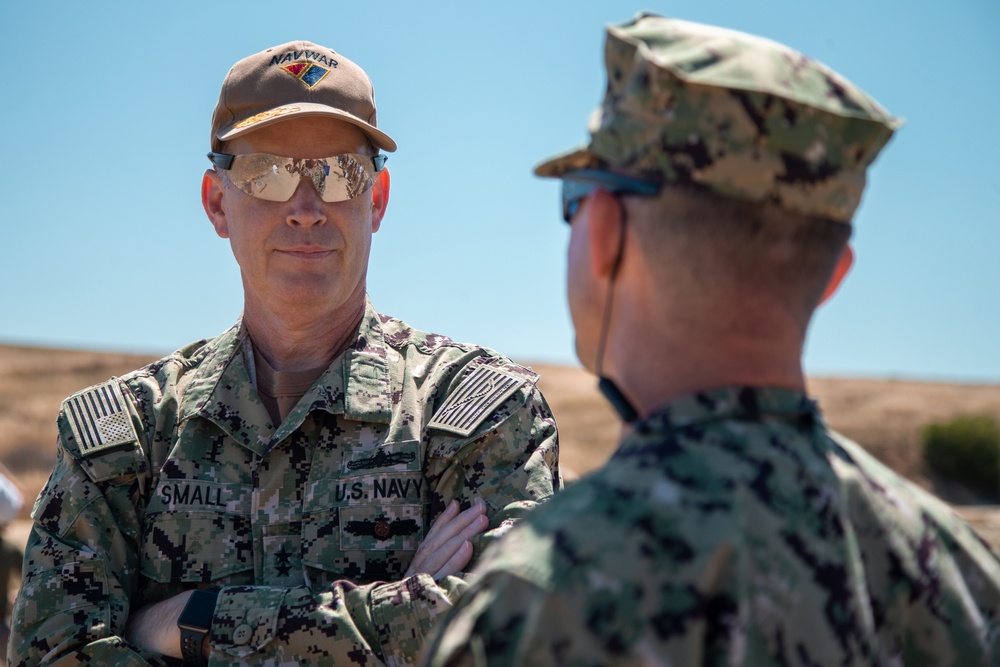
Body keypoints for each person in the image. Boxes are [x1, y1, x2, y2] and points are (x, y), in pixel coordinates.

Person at [424, 13, 1000, 667]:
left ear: (606, 231)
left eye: (576, 200)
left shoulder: (543, 594)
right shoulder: (959, 572)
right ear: (833, 277)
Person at [9, 40, 559, 666]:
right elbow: (51, 656)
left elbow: (511, 633)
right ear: (218, 203)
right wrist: (401, 613)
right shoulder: (126, 437)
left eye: (337, 172)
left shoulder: (480, 414)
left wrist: (193, 622)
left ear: (374, 200)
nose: (304, 208)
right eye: (266, 174)